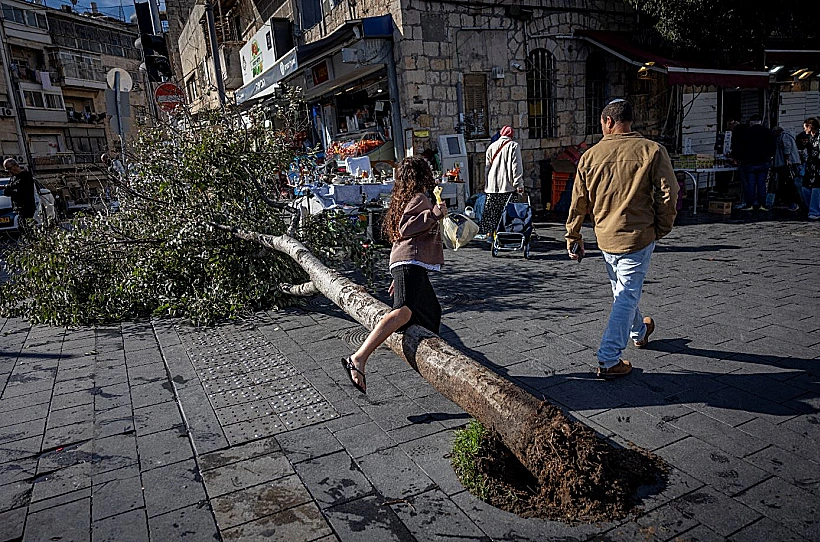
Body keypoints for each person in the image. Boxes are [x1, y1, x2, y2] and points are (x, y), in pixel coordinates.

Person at [565, 99, 678, 379]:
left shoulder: (590, 156)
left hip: (605, 235)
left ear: (607, 121)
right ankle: (608, 358)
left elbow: (579, 201)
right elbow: (669, 193)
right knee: (626, 294)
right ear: (629, 121)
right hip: (638, 235)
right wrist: (662, 227)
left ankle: (640, 330)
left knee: (622, 291)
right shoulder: (652, 150)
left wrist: (573, 234)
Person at [341, 156, 447, 393]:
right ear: (423, 175)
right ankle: (358, 358)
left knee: (429, 311)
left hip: (407, 264)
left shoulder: (405, 198)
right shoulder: (420, 198)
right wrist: (434, 214)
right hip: (408, 263)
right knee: (402, 312)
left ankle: (431, 364)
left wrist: (397, 277)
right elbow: (406, 229)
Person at [477, 125, 524, 239]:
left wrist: (487, 184)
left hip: (492, 187)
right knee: (507, 214)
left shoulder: (491, 147)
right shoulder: (514, 146)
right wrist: (519, 184)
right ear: (511, 135)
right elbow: (516, 167)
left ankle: (490, 235)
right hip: (507, 187)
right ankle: (505, 236)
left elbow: (487, 168)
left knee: (492, 213)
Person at [733, 114, 775, 211]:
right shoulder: (768, 132)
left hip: (749, 162)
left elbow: (739, 147)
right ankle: (762, 205)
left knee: (750, 184)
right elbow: (773, 147)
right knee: (761, 184)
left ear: (751, 122)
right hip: (764, 161)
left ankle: (750, 204)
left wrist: (739, 158)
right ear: (760, 122)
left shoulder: (746, 132)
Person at [771, 127, 802, 211]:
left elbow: (787, 147)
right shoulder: (788, 135)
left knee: (788, 183)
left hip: (786, 163)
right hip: (789, 162)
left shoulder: (784, 136)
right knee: (788, 182)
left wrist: (787, 159)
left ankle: (792, 202)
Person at [2, 158, 36, 222]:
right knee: (21, 227)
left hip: (27, 207)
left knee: (27, 225)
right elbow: (7, 192)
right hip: (18, 208)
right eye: (7, 170)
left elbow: (20, 187)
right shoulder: (13, 178)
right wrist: (9, 189)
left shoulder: (26, 175)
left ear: (16, 166)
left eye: (9, 168)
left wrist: (6, 187)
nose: (9, 171)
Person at [803, 117, 820, 220]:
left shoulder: (818, 137)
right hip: (810, 167)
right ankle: (811, 207)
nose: (804, 130)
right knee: (805, 187)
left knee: (816, 189)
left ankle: (814, 211)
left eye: (805, 127)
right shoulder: (810, 138)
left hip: (818, 167)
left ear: (810, 127)